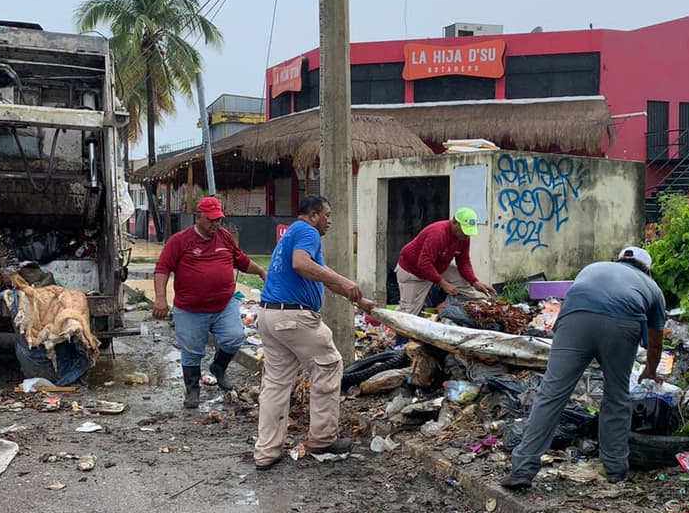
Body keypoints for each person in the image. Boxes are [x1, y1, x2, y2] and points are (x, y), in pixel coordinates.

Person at [501, 246, 666, 490]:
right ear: (647, 269)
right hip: (622, 324)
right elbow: (656, 339)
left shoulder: (593, 268)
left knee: (551, 394)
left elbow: (578, 299)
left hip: (574, 320)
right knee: (616, 397)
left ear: (618, 260)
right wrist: (650, 370)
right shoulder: (652, 287)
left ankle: (523, 468)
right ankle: (616, 470)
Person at [253, 195, 375, 470]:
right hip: (294, 317)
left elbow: (320, 273)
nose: (330, 220)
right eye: (327, 215)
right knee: (329, 366)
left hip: (269, 315)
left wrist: (357, 298)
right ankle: (322, 438)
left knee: (276, 384)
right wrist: (344, 279)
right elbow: (302, 264)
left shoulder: (292, 234)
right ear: (312, 215)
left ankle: (266, 452)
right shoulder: (307, 232)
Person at [152, 196, 267, 409]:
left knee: (235, 337)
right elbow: (162, 269)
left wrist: (260, 271)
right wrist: (160, 298)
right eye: (211, 220)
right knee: (192, 350)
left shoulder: (224, 237)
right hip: (190, 309)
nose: (216, 224)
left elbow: (240, 260)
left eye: (218, 220)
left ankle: (219, 368)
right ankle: (193, 390)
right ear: (198, 218)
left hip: (224, 304)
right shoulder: (179, 241)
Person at [394, 207, 496, 315]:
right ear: (455, 222)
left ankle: (470, 309)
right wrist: (443, 284)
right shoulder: (438, 234)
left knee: (462, 280)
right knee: (409, 312)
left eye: (469, 231)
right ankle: (391, 329)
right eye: (464, 230)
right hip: (413, 271)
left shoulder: (464, 238)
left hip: (438, 265)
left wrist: (475, 282)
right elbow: (424, 264)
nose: (466, 235)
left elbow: (463, 261)